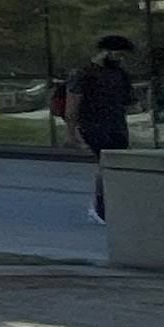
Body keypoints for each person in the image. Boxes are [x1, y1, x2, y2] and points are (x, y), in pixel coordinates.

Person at [59, 31, 139, 220]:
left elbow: (130, 102)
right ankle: (102, 209)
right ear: (105, 52)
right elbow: (72, 105)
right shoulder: (83, 73)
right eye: (118, 55)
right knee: (107, 166)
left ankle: (107, 206)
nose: (120, 60)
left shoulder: (120, 74)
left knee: (114, 167)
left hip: (116, 127)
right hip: (93, 126)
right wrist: (72, 133)